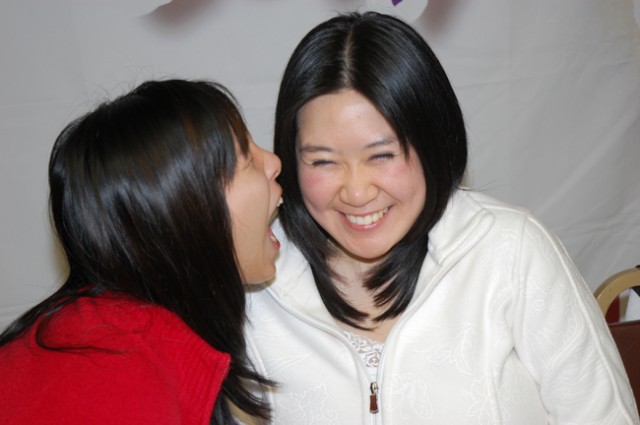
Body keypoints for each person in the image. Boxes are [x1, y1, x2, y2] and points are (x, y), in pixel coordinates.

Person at [242, 11, 640, 424]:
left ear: (434, 143)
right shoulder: (255, 282)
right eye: (323, 161)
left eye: (382, 155)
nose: (357, 192)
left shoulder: (510, 251)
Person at [0, 79, 282, 425]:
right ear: (180, 209)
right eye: (246, 159)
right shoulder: (116, 384)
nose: (274, 163)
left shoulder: (112, 339)